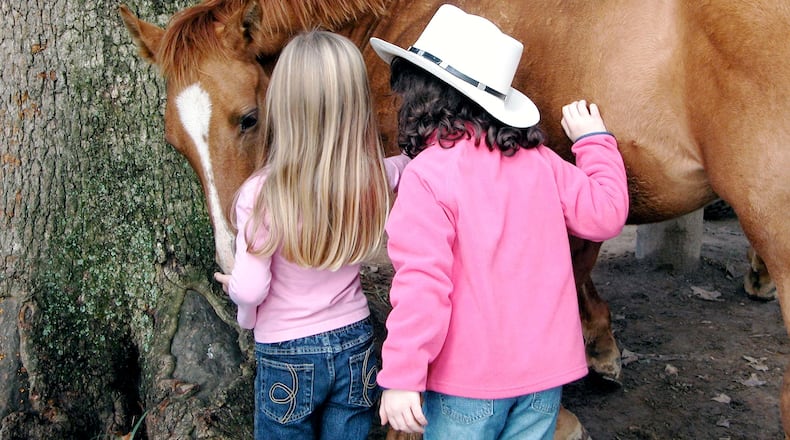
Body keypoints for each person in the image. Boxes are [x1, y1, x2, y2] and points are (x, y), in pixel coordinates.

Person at [368, 4, 629, 439]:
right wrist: (594, 142)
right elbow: (605, 215)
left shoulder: (427, 176)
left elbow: (422, 286)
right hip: (545, 380)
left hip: (465, 386)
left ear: (419, 98)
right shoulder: (541, 161)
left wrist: (402, 377)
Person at [213, 30, 410, 440]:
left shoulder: (261, 194)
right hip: (356, 340)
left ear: (282, 105)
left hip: (287, 350)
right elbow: (409, 166)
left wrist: (244, 311)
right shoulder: (374, 177)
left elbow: (250, 290)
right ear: (356, 106)